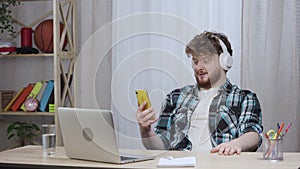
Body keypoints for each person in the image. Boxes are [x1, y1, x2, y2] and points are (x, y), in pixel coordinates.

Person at [135, 31, 263, 155]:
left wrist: (236, 144)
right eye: (195, 61)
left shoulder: (244, 98)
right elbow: (160, 147)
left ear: (224, 61)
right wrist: (145, 131)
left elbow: (253, 134)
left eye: (206, 61)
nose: (198, 67)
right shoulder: (175, 97)